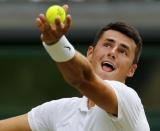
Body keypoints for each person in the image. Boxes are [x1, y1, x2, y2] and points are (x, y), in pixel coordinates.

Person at [0, 4, 150, 131]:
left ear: (132, 70)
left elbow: (83, 79)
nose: (112, 52)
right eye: (107, 44)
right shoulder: (60, 111)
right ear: (90, 53)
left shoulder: (129, 99)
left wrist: (56, 44)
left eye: (123, 51)